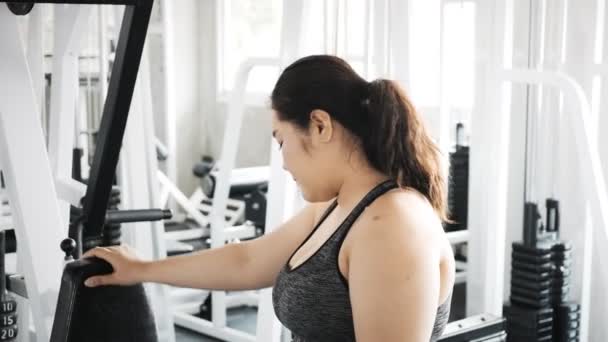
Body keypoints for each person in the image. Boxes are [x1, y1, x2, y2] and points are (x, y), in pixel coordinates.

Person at [83, 55, 456, 342]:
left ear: (320, 126)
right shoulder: (337, 210)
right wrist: (143, 270)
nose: (283, 162)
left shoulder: (390, 224)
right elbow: (247, 261)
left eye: (281, 140)